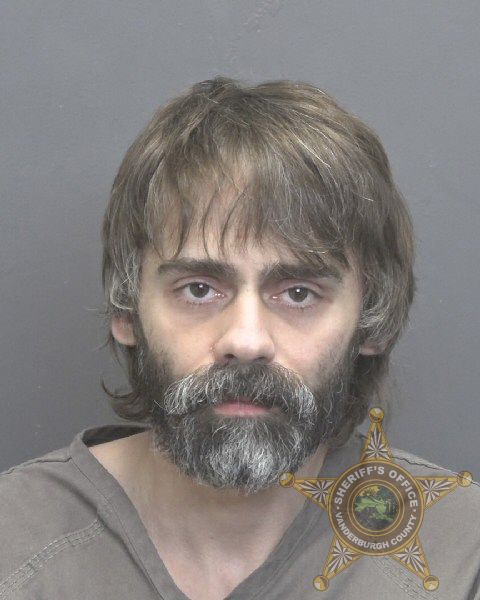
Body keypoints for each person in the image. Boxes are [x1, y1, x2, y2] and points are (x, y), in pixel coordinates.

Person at [1, 77, 478, 600]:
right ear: (127, 309)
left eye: (298, 293)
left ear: (371, 321)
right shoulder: (15, 544)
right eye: (199, 289)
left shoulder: (461, 560)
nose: (246, 340)